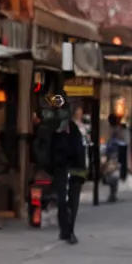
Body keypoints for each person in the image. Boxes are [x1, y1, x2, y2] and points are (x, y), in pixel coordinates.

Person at [50, 103, 88, 245]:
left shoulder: (75, 131)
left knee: (73, 202)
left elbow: (80, 153)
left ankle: (70, 231)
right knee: (61, 201)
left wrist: (81, 173)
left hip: (75, 172)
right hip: (61, 171)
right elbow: (51, 151)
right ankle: (64, 230)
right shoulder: (55, 132)